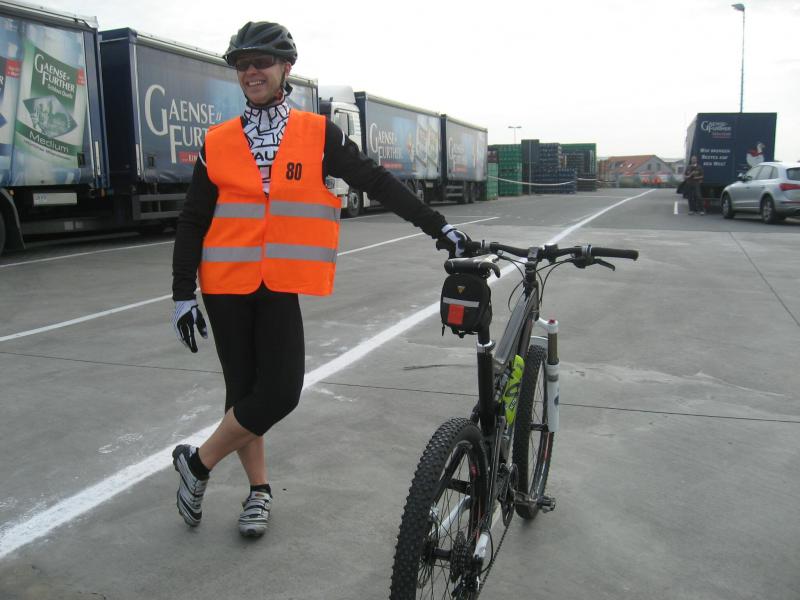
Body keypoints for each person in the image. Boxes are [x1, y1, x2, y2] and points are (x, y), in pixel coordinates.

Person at [170, 21, 468, 538]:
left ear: (286, 68)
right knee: (242, 392)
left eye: (261, 62)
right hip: (224, 282)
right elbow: (194, 218)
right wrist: (181, 293)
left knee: (280, 391)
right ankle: (258, 492)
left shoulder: (316, 133)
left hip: (279, 280)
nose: (251, 72)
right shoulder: (217, 141)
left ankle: (196, 465)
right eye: (242, 65)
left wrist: (437, 227)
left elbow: (375, 180)